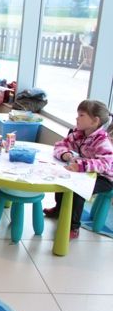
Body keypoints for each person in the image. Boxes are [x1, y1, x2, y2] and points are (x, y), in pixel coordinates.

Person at [43, 100, 113, 239]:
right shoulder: (78, 134)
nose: (77, 118)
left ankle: (73, 227)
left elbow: (106, 163)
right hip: (89, 171)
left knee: (78, 189)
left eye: (81, 115)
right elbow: (60, 145)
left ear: (95, 121)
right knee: (63, 177)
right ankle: (59, 209)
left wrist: (81, 165)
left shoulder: (102, 141)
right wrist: (65, 154)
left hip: (105, 177)